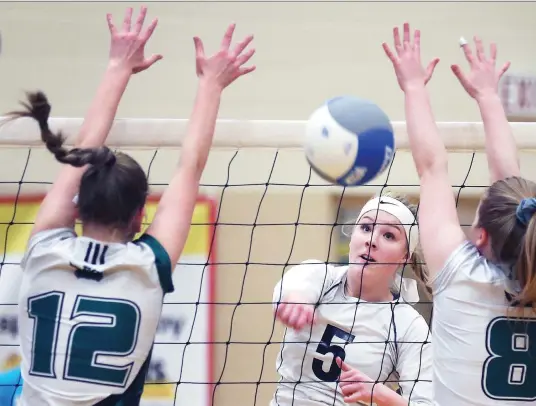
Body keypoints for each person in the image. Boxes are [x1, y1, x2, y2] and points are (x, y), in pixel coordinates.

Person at [6, 7, 256, 405]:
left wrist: (117, 66)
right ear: (141, 214)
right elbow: (190, 167)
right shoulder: (148, 268)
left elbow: (84, 144)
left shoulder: (43, 249)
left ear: (76, 206)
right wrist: (211, 85)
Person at [382, 23, 536, 406]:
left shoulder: (463, 276)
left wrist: (413, 87)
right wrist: (489, 96)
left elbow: (432, 167)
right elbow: (499, 179)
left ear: (480, 236)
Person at [271, 192, 433, 406]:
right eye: (366, 228)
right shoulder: (320, 278)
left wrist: (378, 394)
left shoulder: (408, 325)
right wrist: (296, 300)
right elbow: (295, 286)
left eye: (388, 236)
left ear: (404, 257)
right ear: (352, 235)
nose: (371, 241)